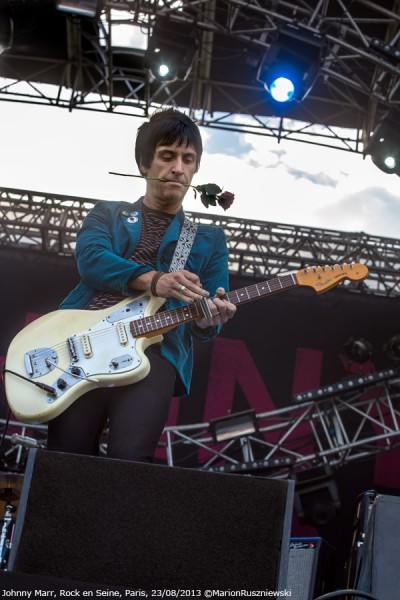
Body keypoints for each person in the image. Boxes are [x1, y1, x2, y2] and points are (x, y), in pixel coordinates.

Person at [46, 108, 236, 462]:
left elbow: (207, 312)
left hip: (155, 352)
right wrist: (155, 281)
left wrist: (209, 318)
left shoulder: (209, 239)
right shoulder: (108, 213)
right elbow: (92, 260)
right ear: (144, 164)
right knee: (64, 459)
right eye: (167, 156)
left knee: (130, 463)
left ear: (196, 170)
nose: (178, 167)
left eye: (188, 159)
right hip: (83, 345)